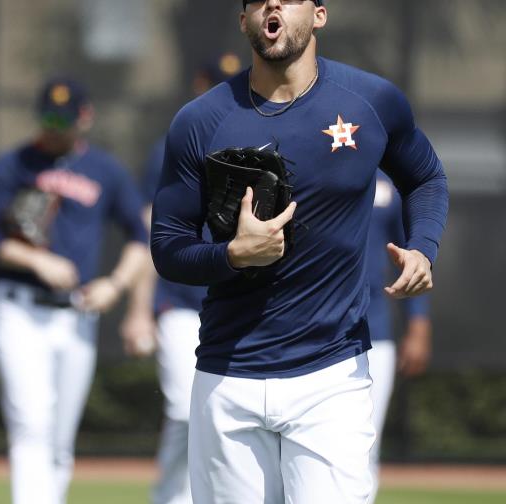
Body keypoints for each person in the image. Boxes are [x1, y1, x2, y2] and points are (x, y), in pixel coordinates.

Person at [149, 1, 449, 503]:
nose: (272, 4)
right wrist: (233, 255)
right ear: (243, 20)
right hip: (228, 377)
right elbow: (167, 247)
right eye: (257, 0)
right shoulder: (199, 121)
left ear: (319, 15)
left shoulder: (371, 101)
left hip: (332, 377)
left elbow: (426, 178)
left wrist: (423, 247)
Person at [0, 77, 149, 504]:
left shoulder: (104, 170)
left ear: (85, 118)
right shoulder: (13, 165)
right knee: (31, 425)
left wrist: (116, 285)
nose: (53, 128)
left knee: (59, 440)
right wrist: (36, 260)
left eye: (62, 121)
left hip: (77, 314)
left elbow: (141, 235)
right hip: (20, 309)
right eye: (48, 119)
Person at [121, 54, 242, 504]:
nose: (224, 94)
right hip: (180, 302)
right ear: (199, 84)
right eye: (216, 84)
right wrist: (139, 310)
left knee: (226, 409)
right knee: (184, 405)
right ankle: (171, 497)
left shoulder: (260, 139)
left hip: (237, 302)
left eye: (231, 85)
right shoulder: (173, 144)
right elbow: (151, 229)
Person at [366, 170, 432, 502]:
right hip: (305, 331)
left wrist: (418, 326)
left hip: (374, 334)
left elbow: (409, 256)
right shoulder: (307, 160)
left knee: (365, 445)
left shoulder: (389, 177)